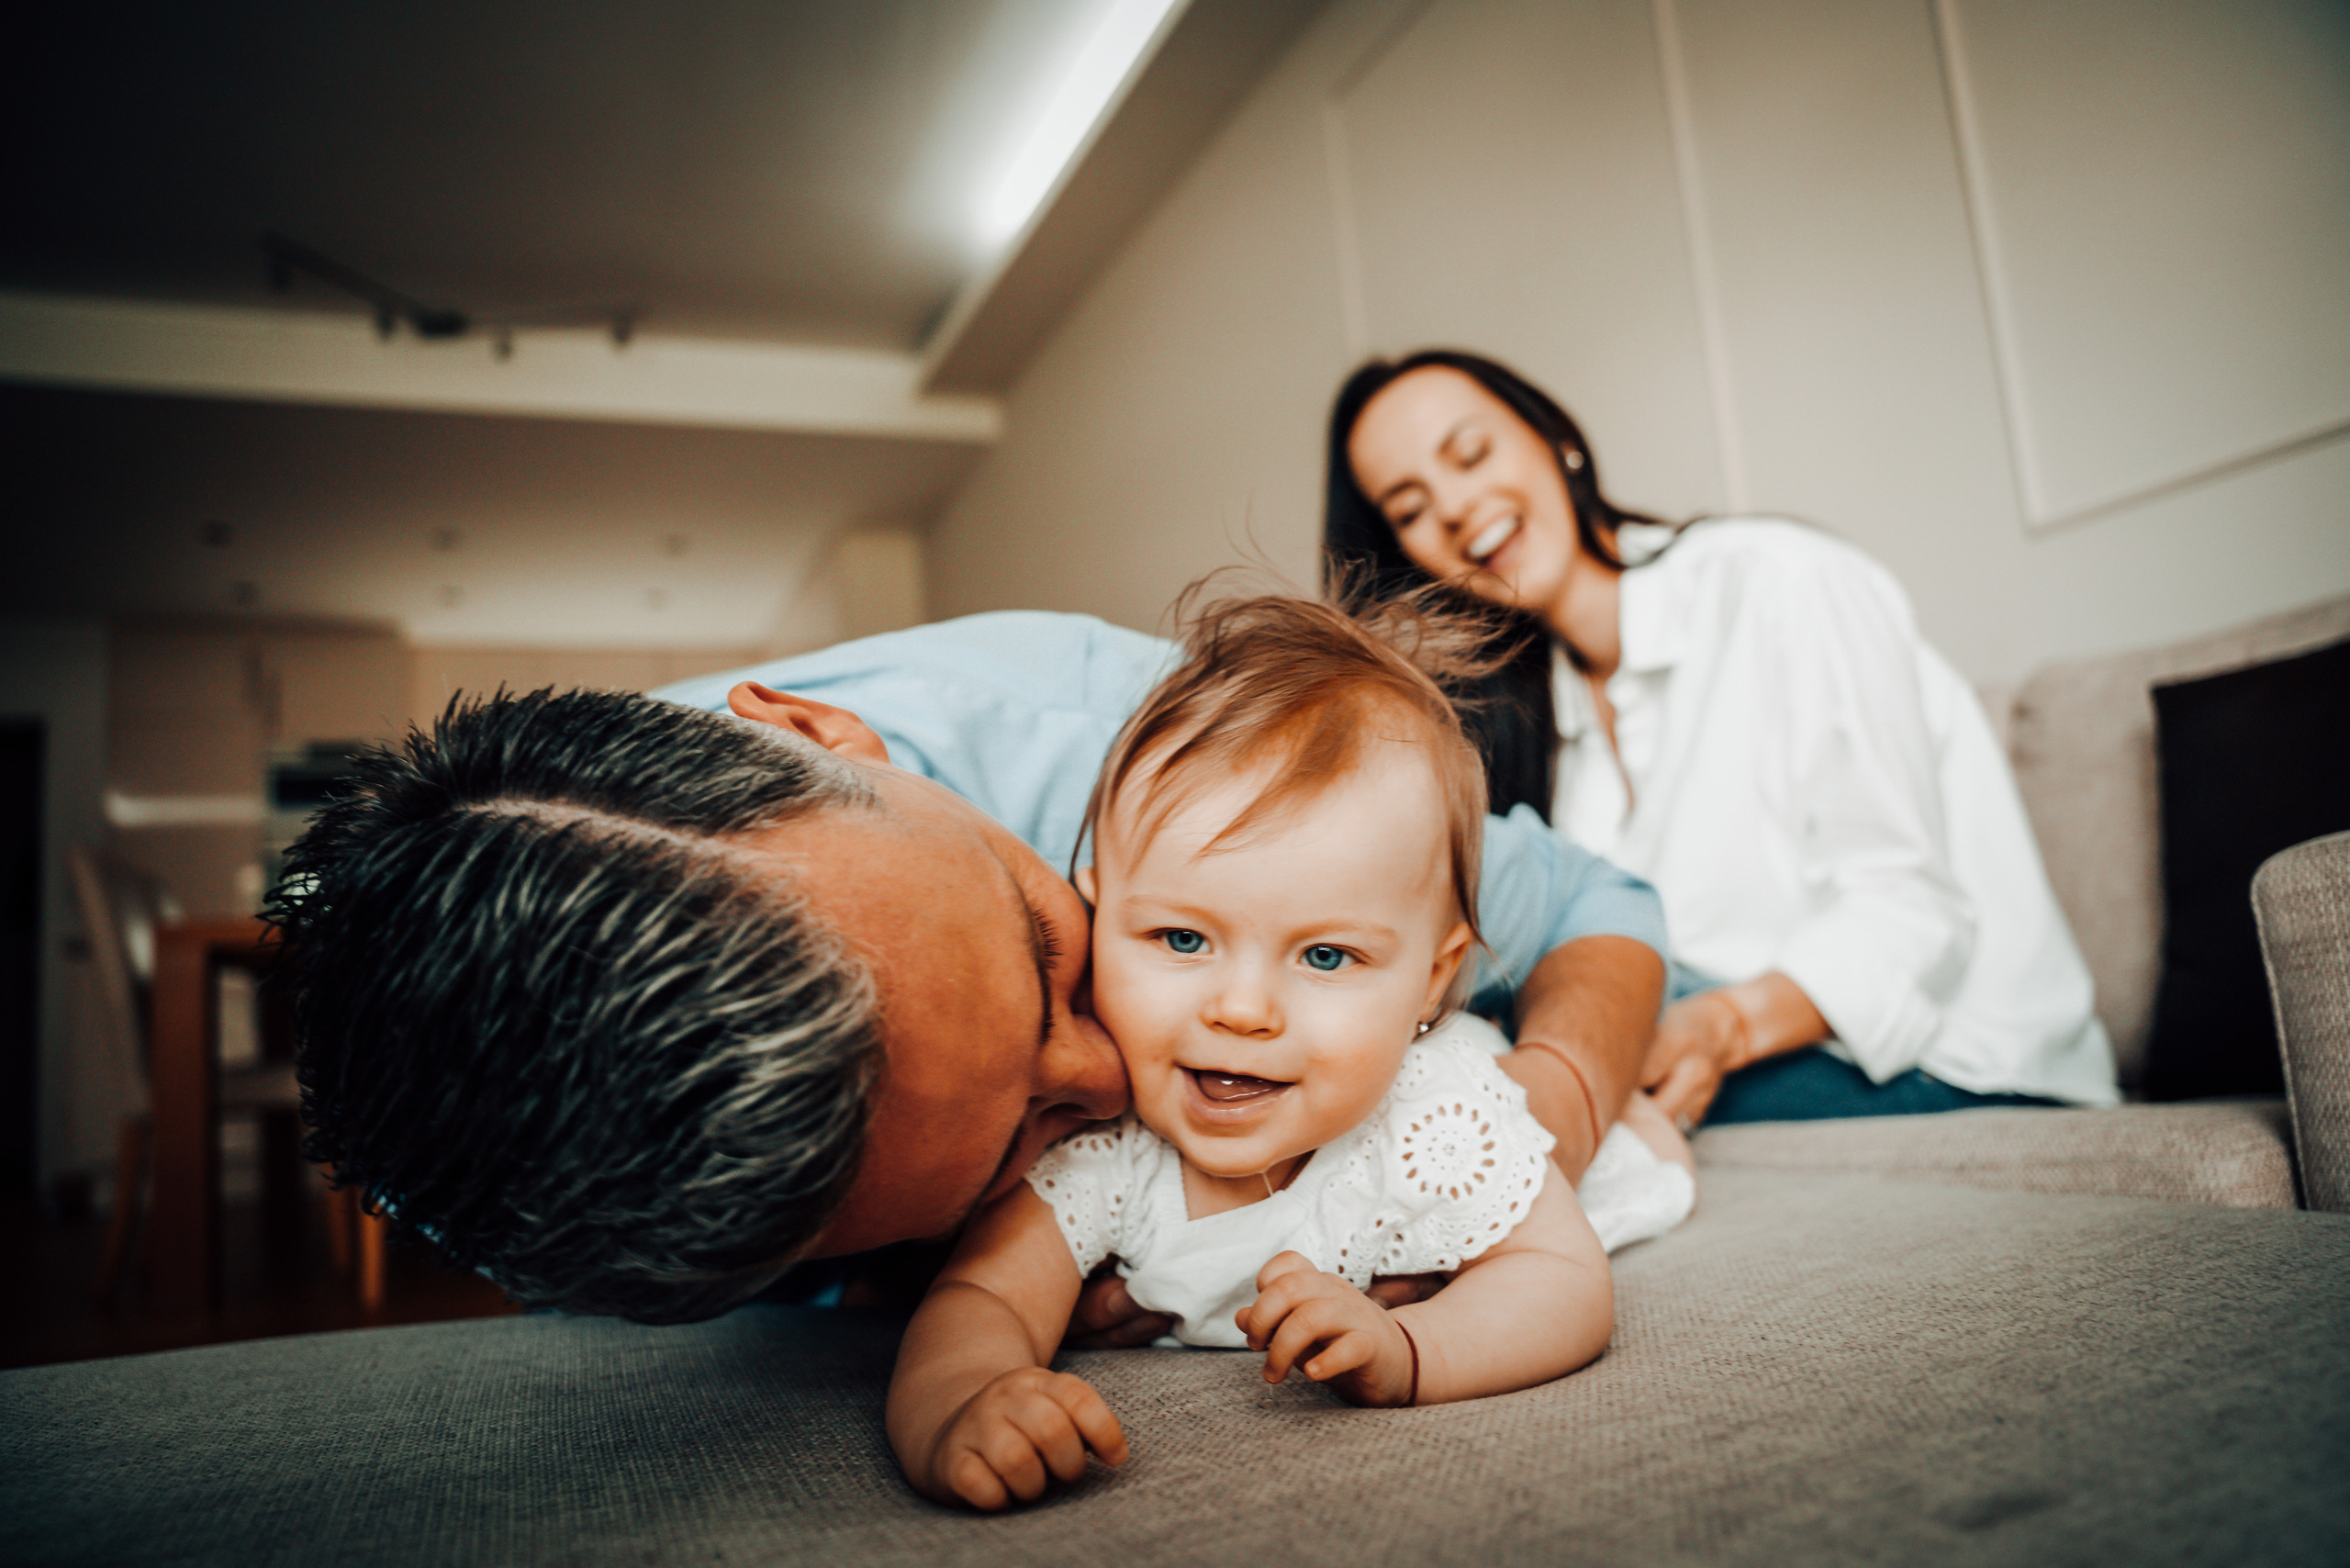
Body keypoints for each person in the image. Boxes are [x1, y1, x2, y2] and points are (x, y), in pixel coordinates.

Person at [271, 599, 1670, 1326]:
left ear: (822, 740)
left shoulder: (1123, 745)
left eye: (1047, 946)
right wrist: (936, 1287)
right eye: (1022, 1130)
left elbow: (1593, 903)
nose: (1114, 1077)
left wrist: (1536, 1126)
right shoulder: (524, 1184)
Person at [888, 595, 1687, 1510]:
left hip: (1501, 1088)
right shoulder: (1102, 1147)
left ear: (1432, 979)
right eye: (1182, 939)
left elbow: (1560, 1280)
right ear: (1098, 916)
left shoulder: (1442, 1116)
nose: (1240, 1010)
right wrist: (962, 1402)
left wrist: (1412, 1349)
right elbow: (981, 1299)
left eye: (1325, 956)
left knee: (1647, 1135)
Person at [1326, 350, 2118, 1129]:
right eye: (1410, 510)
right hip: (1743, 1052)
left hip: (1960, 1064)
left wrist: (1718, 1028)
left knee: (1474, 1088)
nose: (1455, 508)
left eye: (1471, 454)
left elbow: (1913, 913)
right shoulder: (1541, 725)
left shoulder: (1782, 583)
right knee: (1442, 1060)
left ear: (1556, 439)